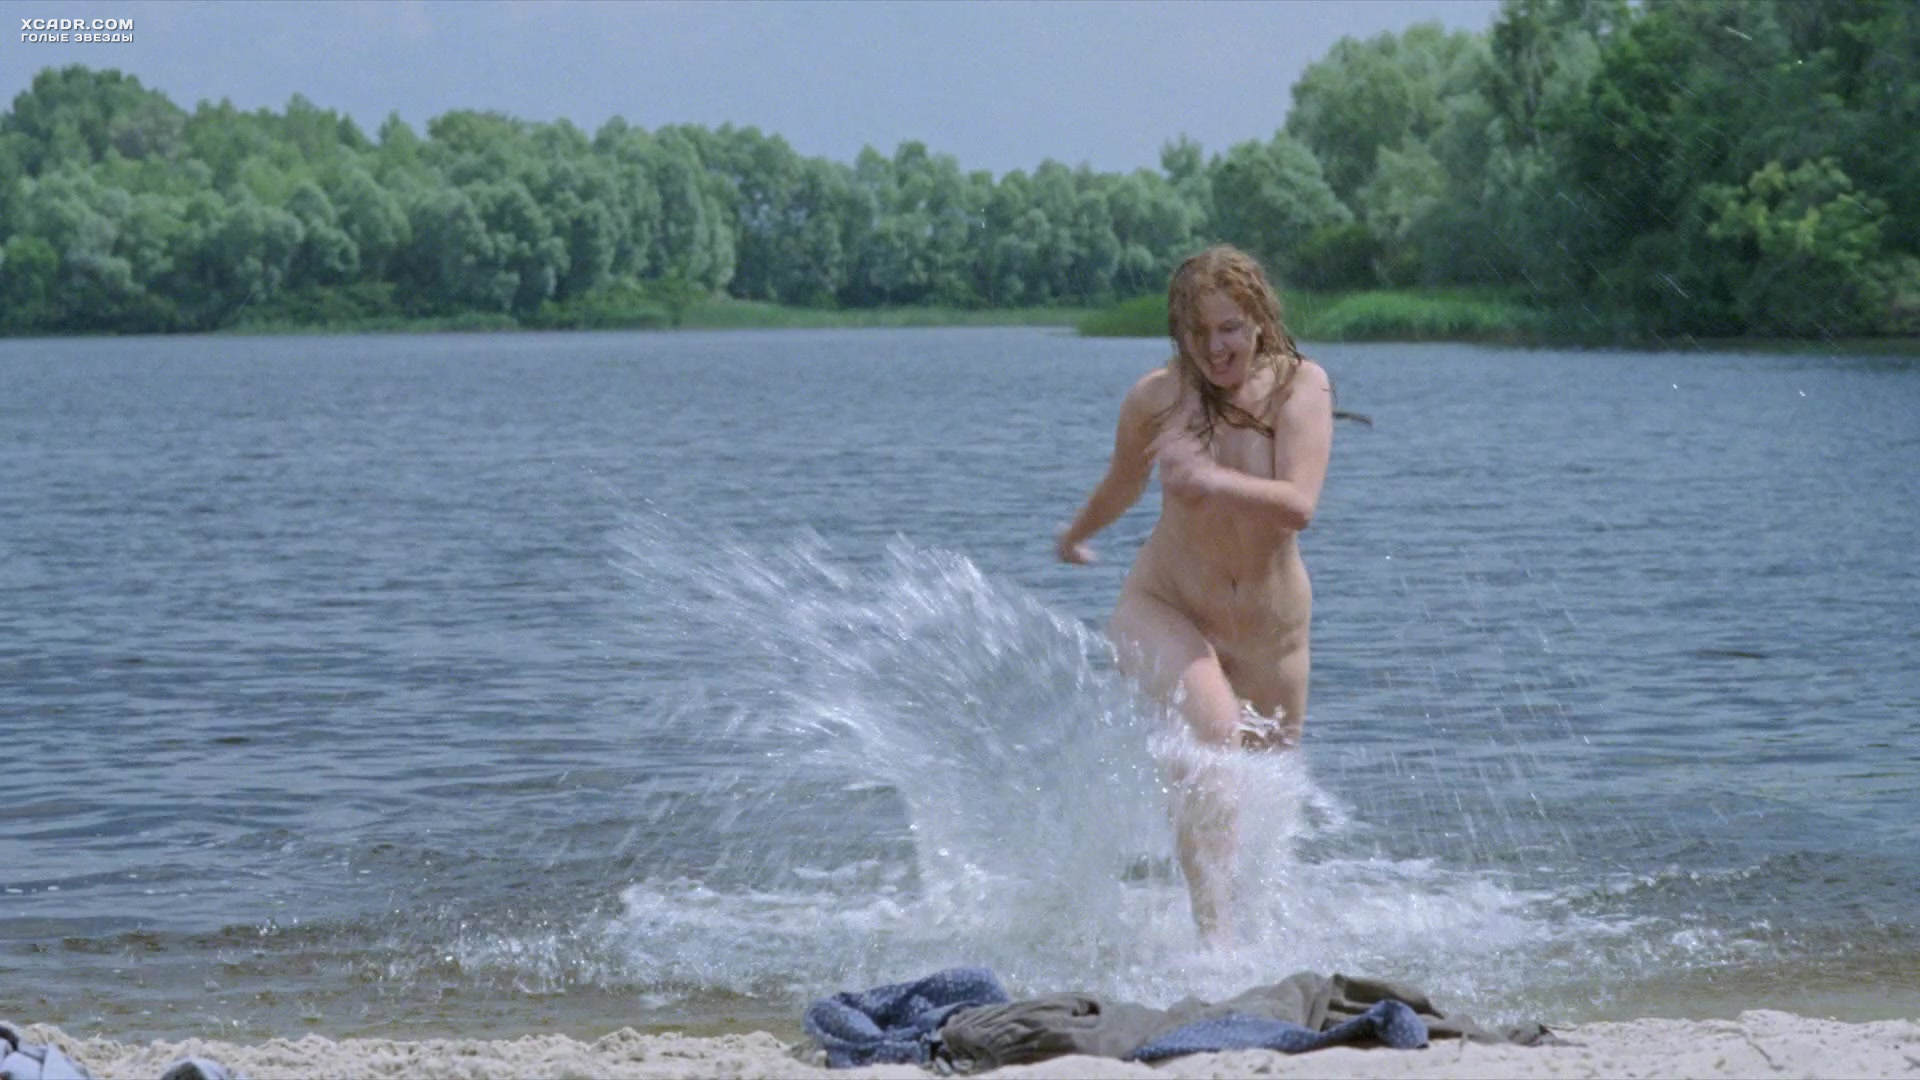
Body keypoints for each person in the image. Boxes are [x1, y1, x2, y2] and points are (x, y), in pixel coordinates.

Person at [1055, 244, 1335, 946]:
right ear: (1179, 333)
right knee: (1212, 739)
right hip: (1165, 604)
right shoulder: (1156, 398)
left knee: (1265, 796)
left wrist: (1210, 481)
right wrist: (1077, 534)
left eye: (1230, 328)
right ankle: (1214, 943)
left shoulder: (1301, 387)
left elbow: (1299, 504)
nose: (1216, 348)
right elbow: (1123, 483)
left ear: (1259, 320)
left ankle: (1252, 937)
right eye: (1198, 332)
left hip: (1273, 630)